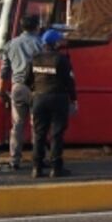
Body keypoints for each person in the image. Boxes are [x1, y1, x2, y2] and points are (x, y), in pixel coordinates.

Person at [28, 29, 77, 178]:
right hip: (58, 98)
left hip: (39, 98)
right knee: (56, 134)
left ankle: (36, 168)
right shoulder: (62, 59)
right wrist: (74, 99)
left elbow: (27, 80)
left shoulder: (34, 58)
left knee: (39, 134)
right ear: (55, 43)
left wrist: (37, 89)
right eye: (59, 41)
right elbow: (70, 82)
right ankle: (56, 168)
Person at [0, 16, 42, 170]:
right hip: (36, 87)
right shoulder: (40, 43)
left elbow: (4, 72)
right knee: (36, 125)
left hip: (17, 88)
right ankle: (37, 159)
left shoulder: (10, 44)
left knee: (17, 125)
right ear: (36, 26)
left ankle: (14, 160)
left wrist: (1, 91)